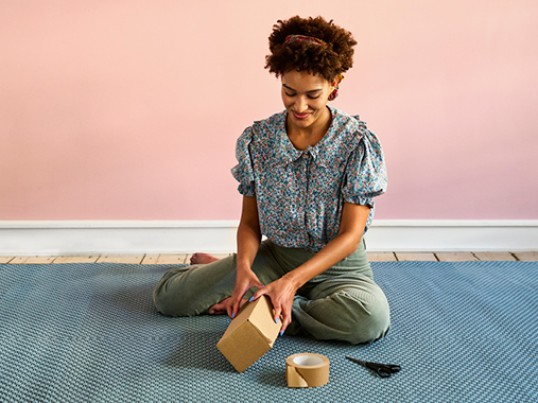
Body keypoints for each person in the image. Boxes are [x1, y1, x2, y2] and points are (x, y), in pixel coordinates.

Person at [153, 16, 390, 345]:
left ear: (336, 83)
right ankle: (255, 287)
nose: (300, 105)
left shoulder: (357, 143)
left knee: (369, 319)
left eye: (313, 94)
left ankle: (265, 305)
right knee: (169, 298)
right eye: (289, 92)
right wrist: (244, 269)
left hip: (340, 267)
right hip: (276, 257)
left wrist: (291, 284)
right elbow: (250, 224)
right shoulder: (257, 141)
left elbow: (350, 235)